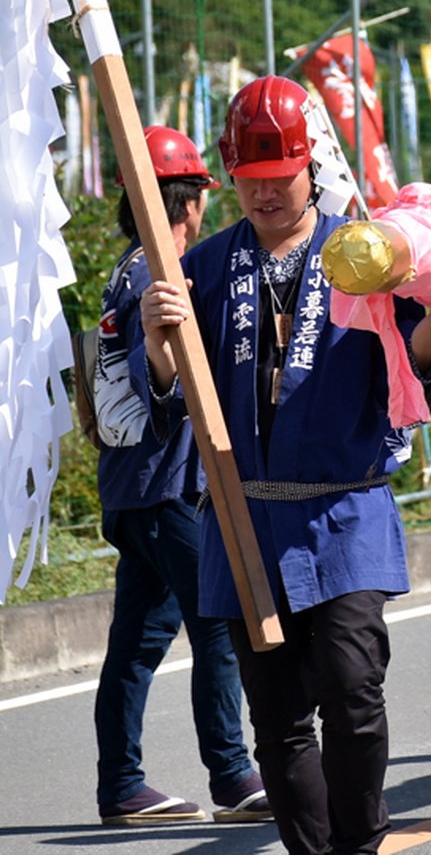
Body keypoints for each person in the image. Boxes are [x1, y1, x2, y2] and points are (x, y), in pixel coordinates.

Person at [136, 77, 431, 855]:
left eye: (279, 177)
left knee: (354, 692)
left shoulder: (365, 251)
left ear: (309, 166)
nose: (264, 194)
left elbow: (410, 370)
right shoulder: (205, 267)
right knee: (278, 718)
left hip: (345, 512)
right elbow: (171, 397)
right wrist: (157, 342)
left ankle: (361, 845)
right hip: (245, 517)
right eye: (249, 180)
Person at [90, 125, 268, 826]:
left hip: (131, 486)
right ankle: (233, 775)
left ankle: (121, 785)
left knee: (136, 645)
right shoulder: (156, 277)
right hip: (169, 486)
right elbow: (156, 377)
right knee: (220, 623)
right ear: (190, 202)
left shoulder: (125, 270)